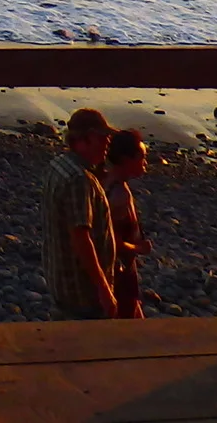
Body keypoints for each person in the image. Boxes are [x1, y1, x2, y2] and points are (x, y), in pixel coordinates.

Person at [39, 107, 119, 322]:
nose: (107, 143)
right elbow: (81, 238)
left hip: (60, 281)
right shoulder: (79, 179)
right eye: (103, 137)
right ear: (86, 139)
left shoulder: (58, 166)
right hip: (82, 293)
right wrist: (103, 289)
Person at [105, 127, 153, 318]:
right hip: (119, 272)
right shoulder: (119, 195)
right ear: (126, 160)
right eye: (141, 157)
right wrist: (138, 248)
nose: (145, 163)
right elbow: (111, 242)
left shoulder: (108, 183)